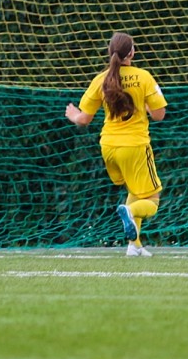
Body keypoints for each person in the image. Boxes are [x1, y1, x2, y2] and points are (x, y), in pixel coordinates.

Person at [65, 32, 167, 256]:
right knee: (151, 200)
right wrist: (146, 105)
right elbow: (159, 115)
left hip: (109, 147)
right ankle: (130, 212)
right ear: (132, 53)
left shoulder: (100, 80)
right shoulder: (143, 77)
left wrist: (73, 115)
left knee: (134, 189)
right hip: (135, 146)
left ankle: (134, 245)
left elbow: (84, 119)